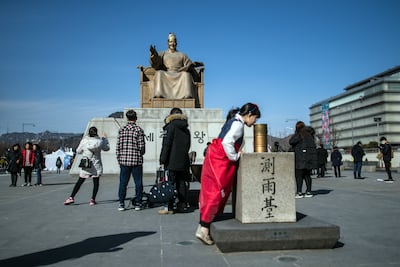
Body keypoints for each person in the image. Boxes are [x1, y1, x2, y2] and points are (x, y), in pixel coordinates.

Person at [196, 103, 261, 245]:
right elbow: (227, 142)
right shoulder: (238, 124)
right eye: (255, 118)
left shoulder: (234, 121)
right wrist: (235, 156)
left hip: (215, 156)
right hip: (220, 159)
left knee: (210, 190)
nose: (255, 121)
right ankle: (204, 228)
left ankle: (205, 223)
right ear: (249, 114)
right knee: (216, 191)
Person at [64, 126, 110, 206]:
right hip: (96, 164)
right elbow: (106, 148)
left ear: (89, 133)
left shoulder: (84, 141)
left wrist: (85, 151)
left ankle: (71, 197)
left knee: (80, 181)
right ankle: (92, 199)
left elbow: (78, 151)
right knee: (96, 182)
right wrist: (105, 139)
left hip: (86, 164)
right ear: (96, 133)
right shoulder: (100, 141)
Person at [158, 107, 191, 215]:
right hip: (183, 161)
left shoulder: (170, 127)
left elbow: (166, 145)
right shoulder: (186, 129)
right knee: (181, 183)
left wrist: (162, 159)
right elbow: (188, 146)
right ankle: (182, 205)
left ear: (171, 115)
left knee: (170, 184)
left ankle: (169, 207)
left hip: (171, 161)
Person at [116, 110, 146, 211]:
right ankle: (138, 203)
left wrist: (119, 158)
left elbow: (118, 146)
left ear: (127, 118)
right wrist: (141, 154)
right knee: (138, 182)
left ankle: (121, 203)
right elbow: (141, 147)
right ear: (136, 118)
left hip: (124, 160)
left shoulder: (122, 130)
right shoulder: (139, 130)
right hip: (136, 160)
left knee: (123, 183)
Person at [150, 32, 194, 99]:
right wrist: (154, 55)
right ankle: (159, 94)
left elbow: (189, 63)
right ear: (168, 43)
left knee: (186, 75)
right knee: (159, 73)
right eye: (170, 42)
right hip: (166, 73)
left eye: (174, 42)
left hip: (179, 73)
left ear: (176, 43)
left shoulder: (182, 54)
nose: (172, 44)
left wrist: (191, 65)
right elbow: (156, 63)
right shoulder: (163, 53)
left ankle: (187, 96)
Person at [289, 121, 317, 199]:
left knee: (299, 176)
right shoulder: (310, 136)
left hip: (300, 159)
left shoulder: (299, 135)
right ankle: (309, 191)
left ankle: (299, 192)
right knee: (307, 175)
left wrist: (295, 133)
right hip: (309, 160)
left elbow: (291, 141)